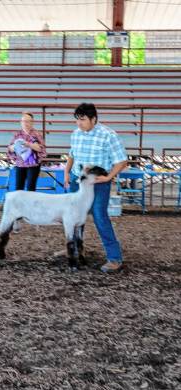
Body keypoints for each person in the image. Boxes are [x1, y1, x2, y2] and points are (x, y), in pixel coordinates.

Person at [65, 102, 128, 273]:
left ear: (94, 119)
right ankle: (76, 250)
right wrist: (66, 172)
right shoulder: (76, 134)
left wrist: (108, 177)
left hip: (98, 183)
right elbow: (71, 155)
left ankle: (114, 258)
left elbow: (122, 161)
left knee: (100, 216)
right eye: (77, 120)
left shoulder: (108, 135)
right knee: (75, 217)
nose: (79, 123)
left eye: (83, 119)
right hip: (77, 181)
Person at [7, 111, 46, 191]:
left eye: (28, 121)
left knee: (30, 188)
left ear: (32, 122)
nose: (26, 123)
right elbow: (10, 148)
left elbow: (41, 148)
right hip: (20, 164)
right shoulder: (17, 134)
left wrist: (28, 144)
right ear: (21, 122)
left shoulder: (37, 134)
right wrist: (15, 146)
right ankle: (19, 203)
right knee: (19, 187)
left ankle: (30, 204)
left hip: (33, 165)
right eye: (24, 121)